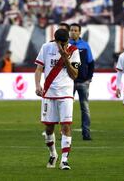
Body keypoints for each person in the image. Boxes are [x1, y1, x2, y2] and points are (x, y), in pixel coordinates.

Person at [35, 28, 80, 170]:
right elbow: (38, 69)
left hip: (66, 92)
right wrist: (37, 85)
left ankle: (64, 160)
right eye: (61, 44)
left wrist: (65, 57)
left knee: (66, 125)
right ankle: (53, 153)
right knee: (49, 128)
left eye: (65, 43)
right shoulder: (46, 47)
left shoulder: (74, 51)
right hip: (49, 92)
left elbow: (74, 75)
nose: (63, 46)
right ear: (56, 41)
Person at [69, 23, 95, 140]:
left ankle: (86, 133)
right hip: (69, 81)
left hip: (83, 81)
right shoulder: (66, 45)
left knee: (85, 108)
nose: (73, 32)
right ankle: (65, 133)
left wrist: (89, 78)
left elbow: (91, 63)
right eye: (72, 30)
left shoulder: (85, 45)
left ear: (80, 32)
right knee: (67, 107)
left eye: (75, 30)